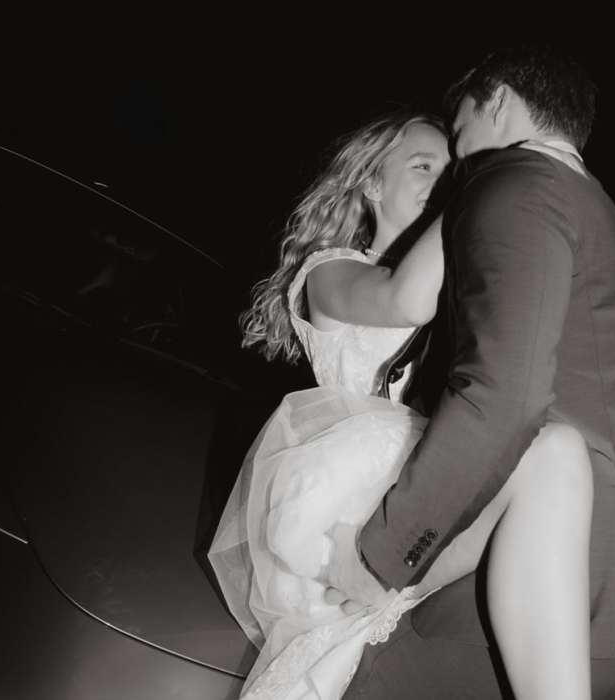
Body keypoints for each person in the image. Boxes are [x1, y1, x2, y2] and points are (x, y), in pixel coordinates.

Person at [325, 45, 615, 700]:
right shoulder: (600, 212)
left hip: (557, 593)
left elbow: (504, 395)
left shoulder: (516, 187)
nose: (460, 163)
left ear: (499, 102)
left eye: (459, 133)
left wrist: (384, 558)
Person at [208, 110, 595, 700]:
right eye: (422, 168)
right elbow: (404, 300)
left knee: (548, 465)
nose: (441, 185)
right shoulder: (329, 271)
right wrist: (488, 185)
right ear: (371, 184)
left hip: (419, 477)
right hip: (348, 482)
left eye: (450, 173)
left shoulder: (450, 289)